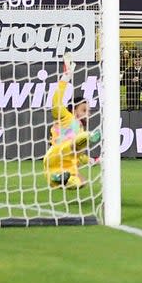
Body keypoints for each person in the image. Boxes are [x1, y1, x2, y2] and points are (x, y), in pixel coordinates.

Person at [43, 59, 98, 189]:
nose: (87, 113)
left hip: (64, 164)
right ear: (74, 110)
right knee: (80, 140)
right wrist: (65, 77)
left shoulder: (79, 128)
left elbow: (78, 155)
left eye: (88, 111)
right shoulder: (66, 116)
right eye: (84, 110)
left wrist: (89, 160)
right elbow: (56, 102)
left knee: (80, 182)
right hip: (57, 152)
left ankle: (60, 179)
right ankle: (92, 136)